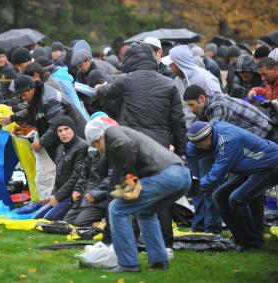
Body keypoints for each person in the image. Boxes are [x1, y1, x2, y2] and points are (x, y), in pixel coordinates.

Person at [84, 117, 191, 273]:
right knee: (145, 212)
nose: (99, 150)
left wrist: (128, 185)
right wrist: (127, 187)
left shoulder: (112, 134)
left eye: (95, 144)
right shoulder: (124, 132)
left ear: (99, 137)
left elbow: (125, 148)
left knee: (116, 208)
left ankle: (128, 263)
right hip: (182, 176)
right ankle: (159, 261)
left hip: (166, 176)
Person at [187, 121, 278, 250]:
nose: (199, 148)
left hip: (271, 165)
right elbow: (191, 155)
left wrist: (191, 188)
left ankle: (253, 243)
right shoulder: (209, 135)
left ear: (208, 138)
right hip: (253, 168)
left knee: (237, 199)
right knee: (219, 196)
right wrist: (194, 180)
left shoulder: (228, 141)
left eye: (199, 144)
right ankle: (246, 238)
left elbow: (215, 176)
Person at [0, 75, 87, 160]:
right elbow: (29, 110)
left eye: (23, 94)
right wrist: (12, 118)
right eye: (20, 95)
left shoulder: (49, 100)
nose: (22, 98)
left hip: (76, 136)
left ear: (32, 89)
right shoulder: (36, 96)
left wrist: (41, 143)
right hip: (64, 137)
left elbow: (55, 126)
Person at [32, 116, 88, 220]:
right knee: (35, 218)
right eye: (60, 131)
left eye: (66, 129)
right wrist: (53, 195)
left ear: (73, 129)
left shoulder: (82, 147)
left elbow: (76, 177)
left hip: (74, 195)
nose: (63, 133)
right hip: (61, 194)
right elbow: (58, 176)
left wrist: (57, 197)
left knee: (48, 219)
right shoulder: (60, 147)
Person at [161, 44, 222, 127]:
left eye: (171, 64)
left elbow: (220, 105)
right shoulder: (178, 80)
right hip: (185, 129)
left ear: (179, 63)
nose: (169, 67)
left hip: (203, 131)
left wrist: (209, 131)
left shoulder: (205, 78)